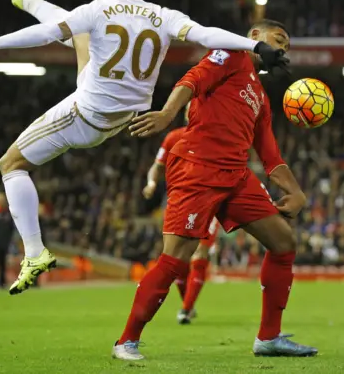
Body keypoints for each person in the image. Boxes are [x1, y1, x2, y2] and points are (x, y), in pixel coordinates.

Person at [0, 0, 289, 296]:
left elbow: (48, 33)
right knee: (79, 37)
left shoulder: (99, 8)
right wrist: (255, 46)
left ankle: (34, 252)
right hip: (126, 115)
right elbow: (207, 34)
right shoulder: (163, 16)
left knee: (10, 164)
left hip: (86, 114)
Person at [113, 19, 317, 360]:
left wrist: (296, 192)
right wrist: (166, 114)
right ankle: (127, 341)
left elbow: (270, 155)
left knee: (284, 242)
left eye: (286, 47)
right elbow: (192, 80)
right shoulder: (231, 54)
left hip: (236, 176)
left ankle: (269, 337)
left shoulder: (261, 99)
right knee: (176, 259)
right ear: (255, 37)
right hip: (198, 168)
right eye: (278, 40)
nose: (282, 49)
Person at [142, 104, 220, 324]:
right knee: (177, 259)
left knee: (200, 255)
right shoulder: (173, 138)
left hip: (209, 202)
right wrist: (151, 183)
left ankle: (186, 309)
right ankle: (187, 303)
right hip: (180, 202)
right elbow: (156, 167)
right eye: (190, 108)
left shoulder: (215, 139)